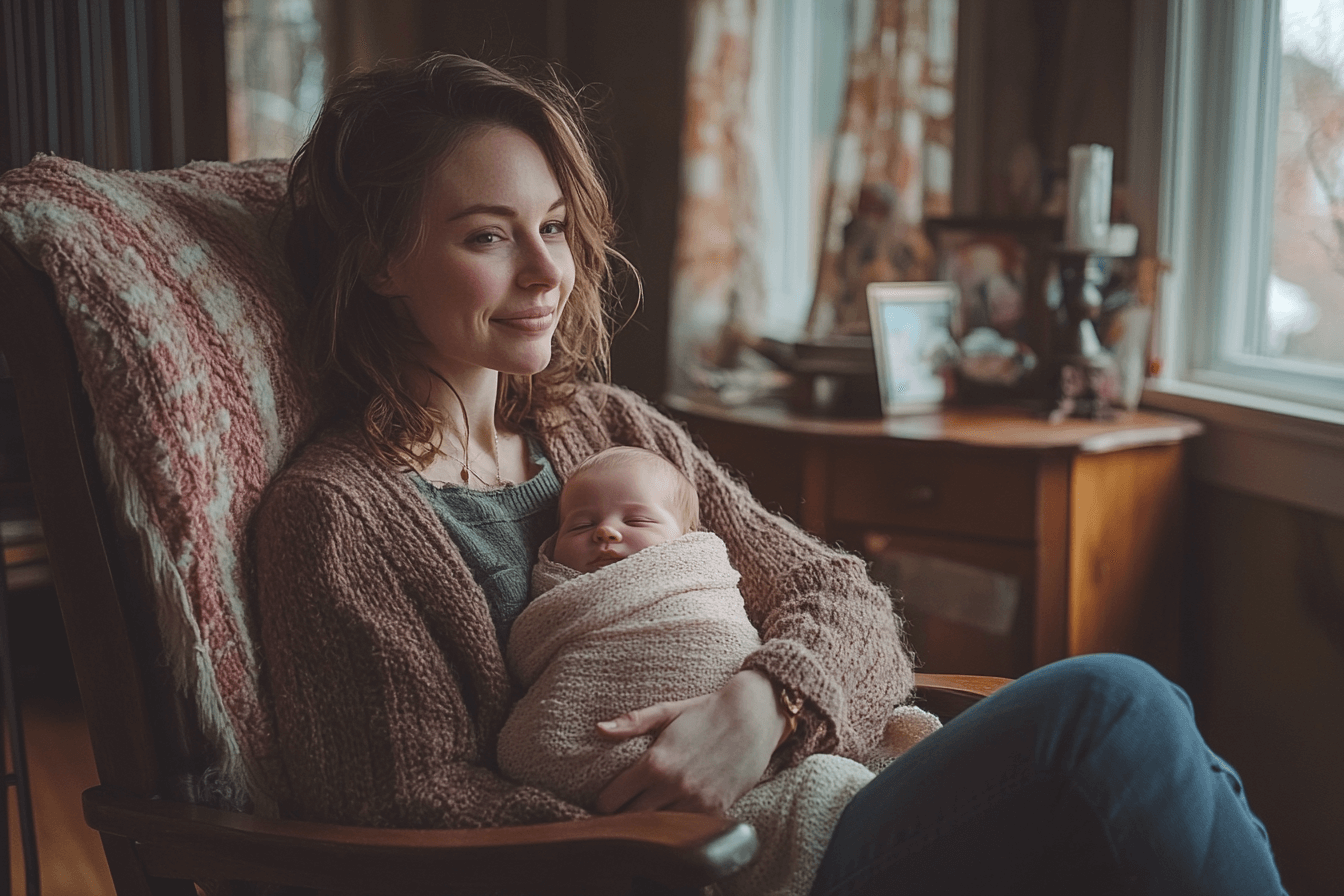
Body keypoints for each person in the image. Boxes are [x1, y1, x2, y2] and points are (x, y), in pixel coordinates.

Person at [252, 52, 1287, 895]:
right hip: (724, 866)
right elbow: (409, 809)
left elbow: (844, 597)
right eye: (489, 235)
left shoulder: (603, 424)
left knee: (1179, 774)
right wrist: (669, 819)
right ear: (381, 259)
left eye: (556, 228)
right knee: (1114, 711)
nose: (546, 272)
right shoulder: (335, 518)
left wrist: (764, 707)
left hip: (811, 791)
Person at [499, 446, 934, 896]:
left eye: (638, 521)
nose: (606, 531)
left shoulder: (695, 568)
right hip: (642, 829)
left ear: (686, 539)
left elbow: (837, 589)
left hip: (781, 751)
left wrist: (774, 701)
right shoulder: (558, 600)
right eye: (582, 525)